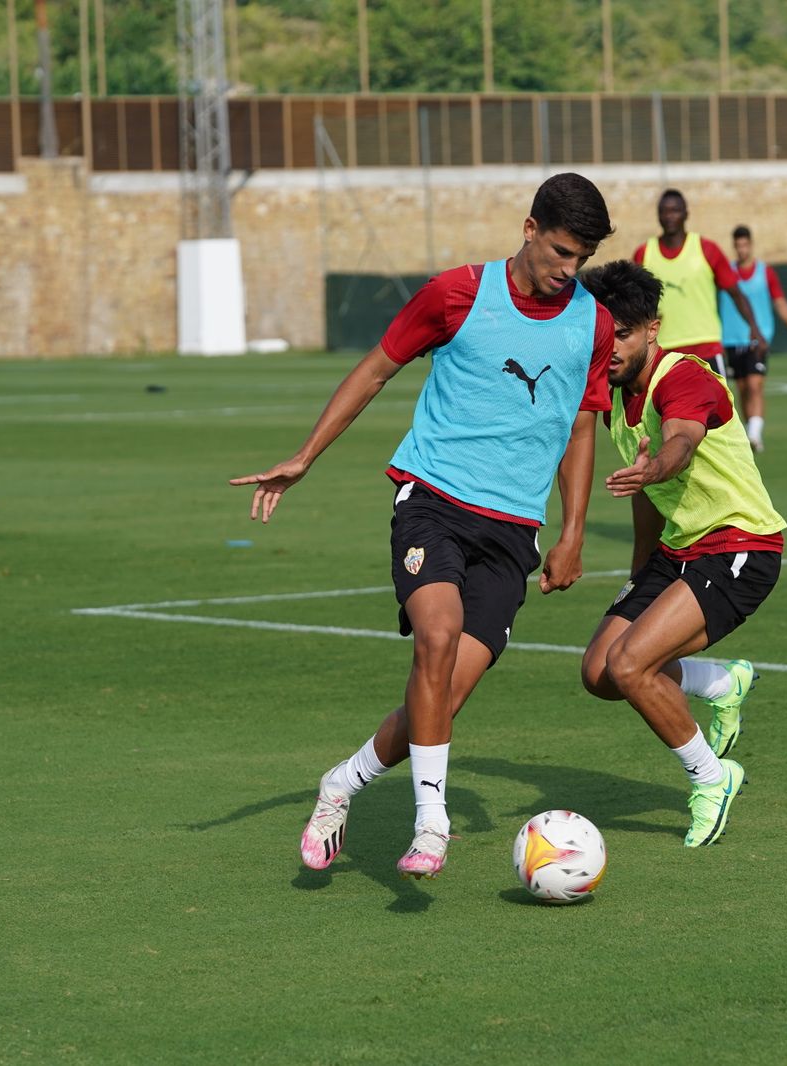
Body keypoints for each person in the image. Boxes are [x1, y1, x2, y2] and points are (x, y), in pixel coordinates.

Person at [229, 173, 617, 880]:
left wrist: (573, 532)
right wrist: (305, 457)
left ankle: (342, 783)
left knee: (440, 696)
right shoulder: (456, 294)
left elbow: (583, 425)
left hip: (513, 531)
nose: (569, 269)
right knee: (435, 639)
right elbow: (376, 370)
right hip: (432, 500)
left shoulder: (592, 322)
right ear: (529, 228)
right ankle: (431, 824)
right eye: (561, 251)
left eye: (581, 259)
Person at [577, 259, 786, 848]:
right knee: (599, 672)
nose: (610, 346)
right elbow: (651, 494)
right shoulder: (616, 395)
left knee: (630, 664)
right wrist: (640, 574)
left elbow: (679, 448)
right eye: (601, 333)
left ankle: (712, 779)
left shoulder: (683, 378)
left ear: (652, 329)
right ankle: (719, 683)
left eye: (622, 333)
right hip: (679, 551)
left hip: (738, 546)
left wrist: (654, 468)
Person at [632, 188, 766, 380]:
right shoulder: (644, 253)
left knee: (717, 410)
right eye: (664, 211)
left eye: (675, 210)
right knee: (664, 410)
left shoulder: (707, 249)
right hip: (662, 350)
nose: (669, 216)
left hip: (705, 347)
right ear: (658, 215)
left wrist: (754, 328)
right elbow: (633, 302)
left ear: (686, 214)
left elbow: (736, 293)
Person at [719, 225, 787, 453]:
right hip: (731, 339)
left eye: (745, 245)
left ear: (751, 244)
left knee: (755, 384)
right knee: (743, 388)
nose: (742, 250)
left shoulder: (764, 273)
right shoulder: (726, 272)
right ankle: (751, 430)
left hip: (758, 340)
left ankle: (755, 436)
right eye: (738, 246)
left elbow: (780, 303)